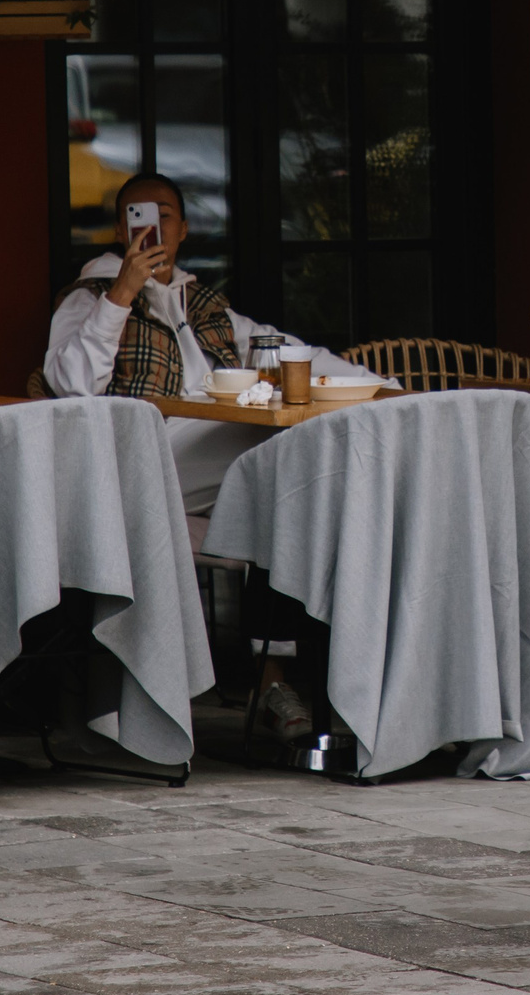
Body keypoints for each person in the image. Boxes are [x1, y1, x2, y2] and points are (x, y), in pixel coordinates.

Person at [43, 170, 367, 744]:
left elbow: (291, 351)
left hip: (211, 464)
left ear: (185, 228)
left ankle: (277, 677)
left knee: (298, 479)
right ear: (121, 228)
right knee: (288, 455)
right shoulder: (89, 296)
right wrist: (123, 291)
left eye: (165, 213)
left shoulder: (207, 304)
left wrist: (377, 389)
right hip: (134, 464)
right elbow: (70, 384)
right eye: (138, 214)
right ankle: (286, 681)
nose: (154, 224)